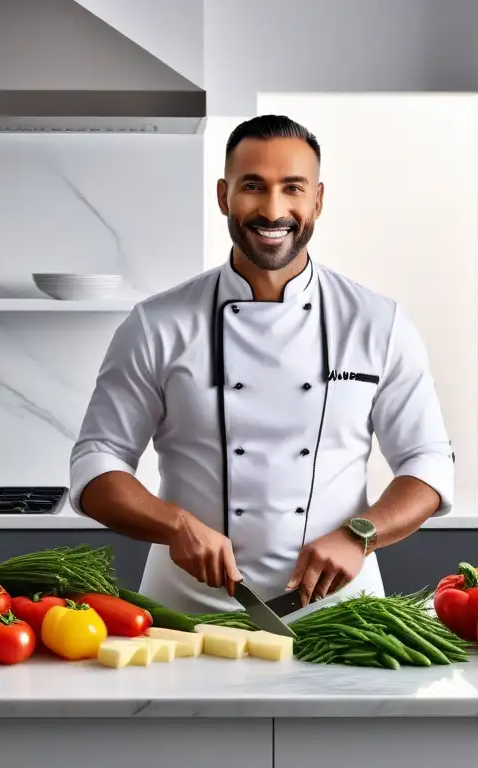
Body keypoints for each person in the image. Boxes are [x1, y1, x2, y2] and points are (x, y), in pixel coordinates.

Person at [70, 114, 454, 614]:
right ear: (224, 196)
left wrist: (360, 533)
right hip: (188, 614)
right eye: (253, 187)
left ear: (317, 199)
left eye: (292, 188)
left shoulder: (377, 322)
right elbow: (96, 462)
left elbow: (427, 462)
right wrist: (177, 525)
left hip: (342, 618)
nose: (273, 210)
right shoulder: (157, 324)